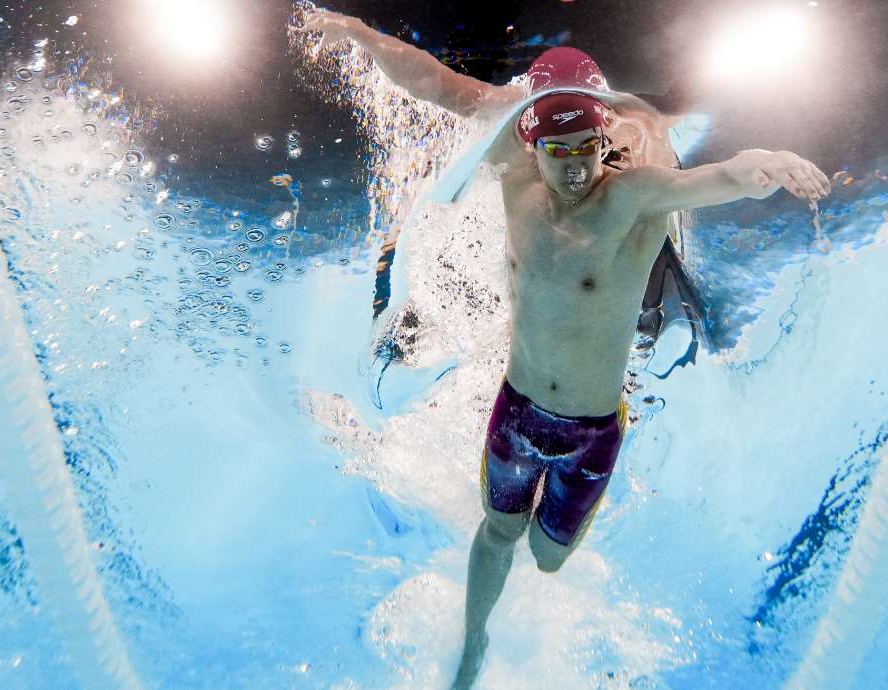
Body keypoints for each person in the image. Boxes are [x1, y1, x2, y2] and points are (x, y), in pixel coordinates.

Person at [294, 9, 831, 688]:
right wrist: (362, 38)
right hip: (516, 414)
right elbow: (433, 83)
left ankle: (538, 572)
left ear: (604, 141)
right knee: (497, 533)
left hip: (592, 432)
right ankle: (473, 647)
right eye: (559, 153)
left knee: (547, 560)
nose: (574, 169)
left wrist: (767, 164)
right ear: (531, 143)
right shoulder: (513, 170)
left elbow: (718, 178)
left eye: (586, 151)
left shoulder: (632, 193)